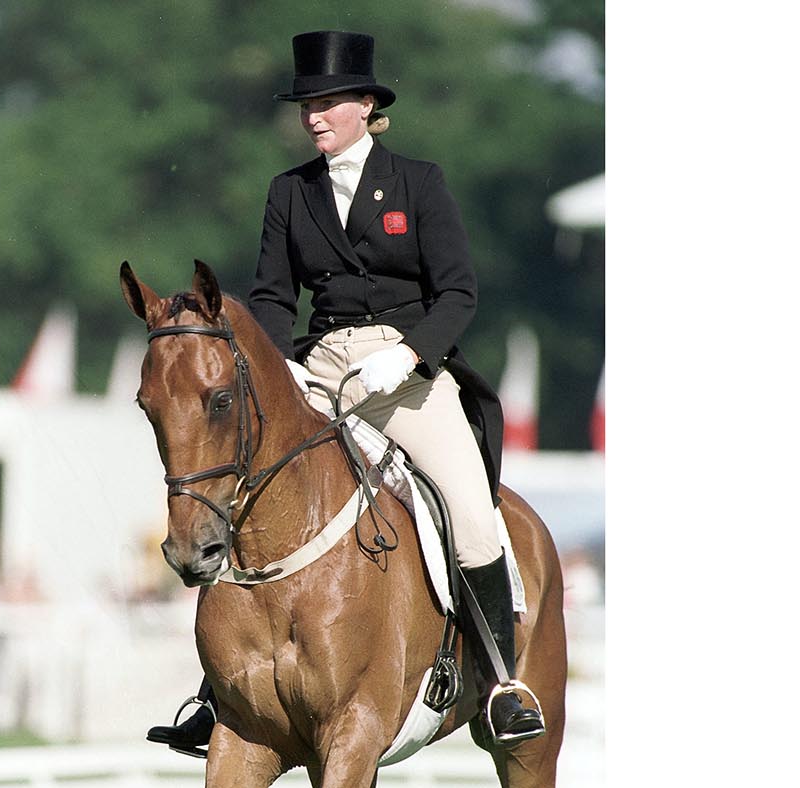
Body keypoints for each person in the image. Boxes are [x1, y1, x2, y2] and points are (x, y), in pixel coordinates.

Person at [146, 30, 544, 755]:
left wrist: (412, 355)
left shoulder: (419, 183)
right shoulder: (288, 192)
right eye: (307, 105)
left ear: (366, 105)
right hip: (319, 370)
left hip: (406, 375)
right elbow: (270, 296)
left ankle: (500, 684)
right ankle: (223, 695)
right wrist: (283, 368)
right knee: (250, 499)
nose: (315, 117)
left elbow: (458, 292)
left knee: (470, 512)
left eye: (328, 103)